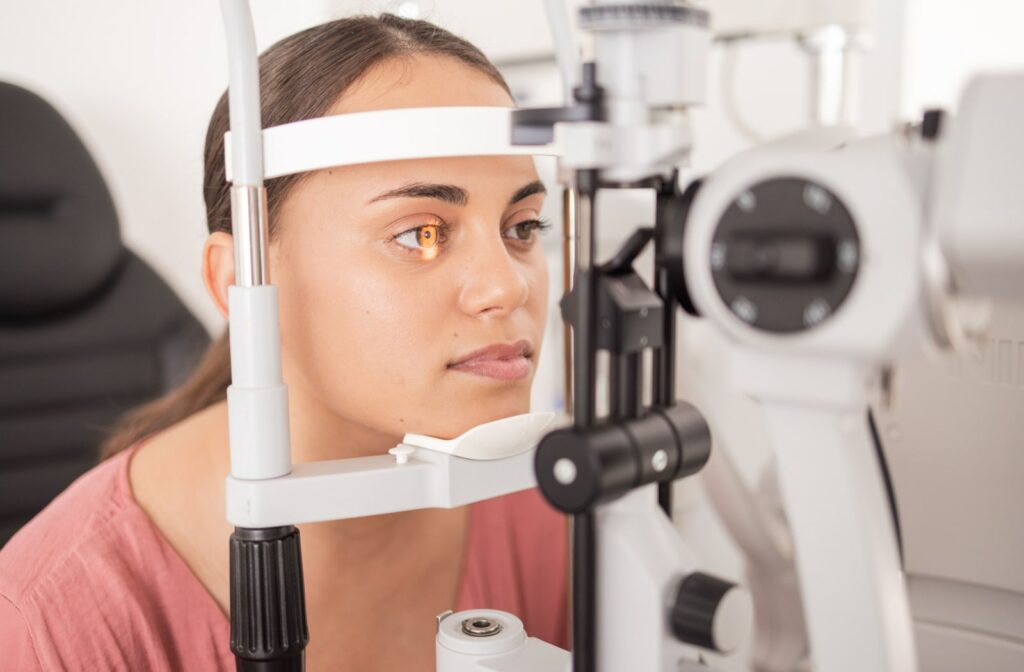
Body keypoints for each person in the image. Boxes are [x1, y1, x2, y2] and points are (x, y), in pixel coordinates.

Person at [0, 14, 567, 671]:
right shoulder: (51, 624)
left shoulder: (541, 509)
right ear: (244, 282)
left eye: (523, 226)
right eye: (421, 234)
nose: (506, 286)